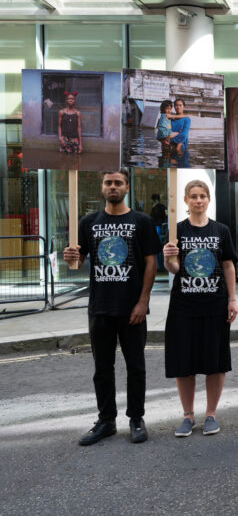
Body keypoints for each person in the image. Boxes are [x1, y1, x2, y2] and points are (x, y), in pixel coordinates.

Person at [63, 170, 161, 446]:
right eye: (108, 183)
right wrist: (69, 256)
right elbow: (77, 260)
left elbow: (151, 263)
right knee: (102, 368)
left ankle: (136, 419)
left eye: (118, 183)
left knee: (136, 367)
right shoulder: (89, 222)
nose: (113, 187)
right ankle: (106, 421)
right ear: (102, 187)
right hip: (100, 307)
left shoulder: (141, 221)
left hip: (132, 308)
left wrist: (143, 301)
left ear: (127, 187)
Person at [162, 180, 238, 437]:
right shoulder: (176, 230)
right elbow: (174, 269)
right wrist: (167, 258)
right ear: (185, 200)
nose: (198, 200)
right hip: (183, 305)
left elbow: (228, 265)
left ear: (209, 199)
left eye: (202, 196)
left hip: (215, 303)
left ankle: (211, 414)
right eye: (193, 196)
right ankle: (187, 416)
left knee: (215, 361)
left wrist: (232, 299)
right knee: (184, 361)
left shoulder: (221, 230)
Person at [169, 98, 192, 168]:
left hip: (181, 149)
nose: (178, 107)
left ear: (184, 107)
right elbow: (164, 134)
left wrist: (169, 139)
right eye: (176, 105)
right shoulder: (170, 119)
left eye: (180, 105)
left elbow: (183, 136)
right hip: (169, 149)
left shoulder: (186, 119)